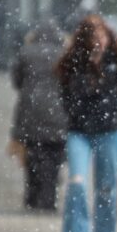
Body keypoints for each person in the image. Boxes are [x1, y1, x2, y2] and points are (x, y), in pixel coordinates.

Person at [57, 15, 117, 232]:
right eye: (93, 36)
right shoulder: (74, 65)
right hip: (79, 132)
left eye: (102, 36)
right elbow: (68, 97)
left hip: (109, 131)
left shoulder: (116, 64)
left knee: (106, 188)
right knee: (76, 182)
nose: (99, 41)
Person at [9, 21, 68, 212]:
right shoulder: (64, 53)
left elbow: (16, 80)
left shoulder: (26, 52)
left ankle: (31, 197)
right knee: (53, 157)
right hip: (58, 111)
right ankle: (48, 198)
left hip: (30, 110)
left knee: (32, 155)